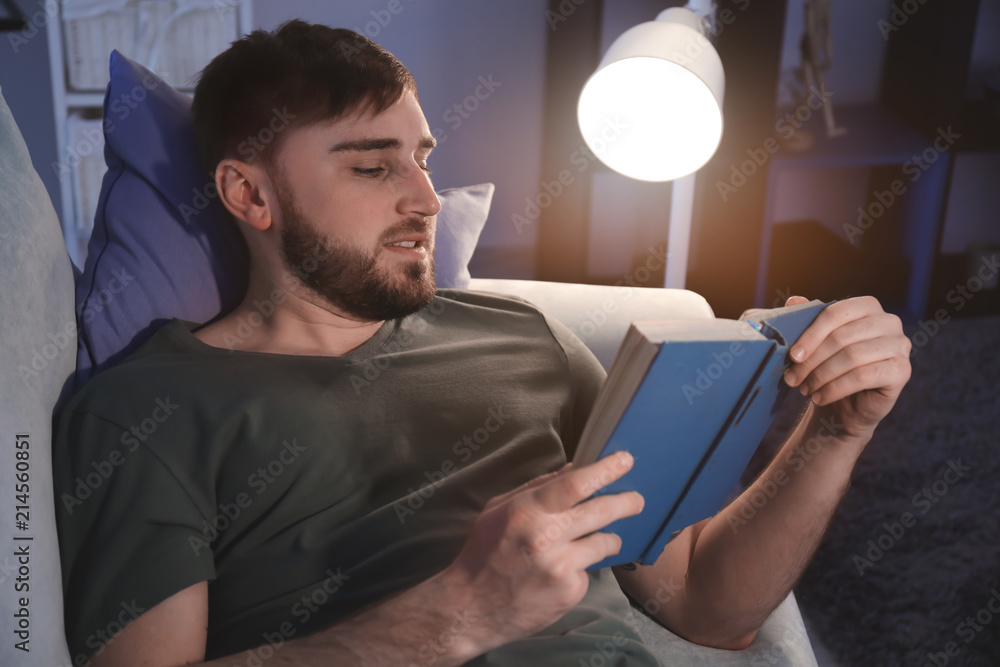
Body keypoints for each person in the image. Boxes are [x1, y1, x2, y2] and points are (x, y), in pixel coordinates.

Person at [53, 20, 912, 667]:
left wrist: (834, 433)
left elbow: (705, 606)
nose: (426, 197)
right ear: (249, 195)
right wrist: (461, 609)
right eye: (372, 166)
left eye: (424, 158)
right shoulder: (146, 407)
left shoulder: (525, 339)